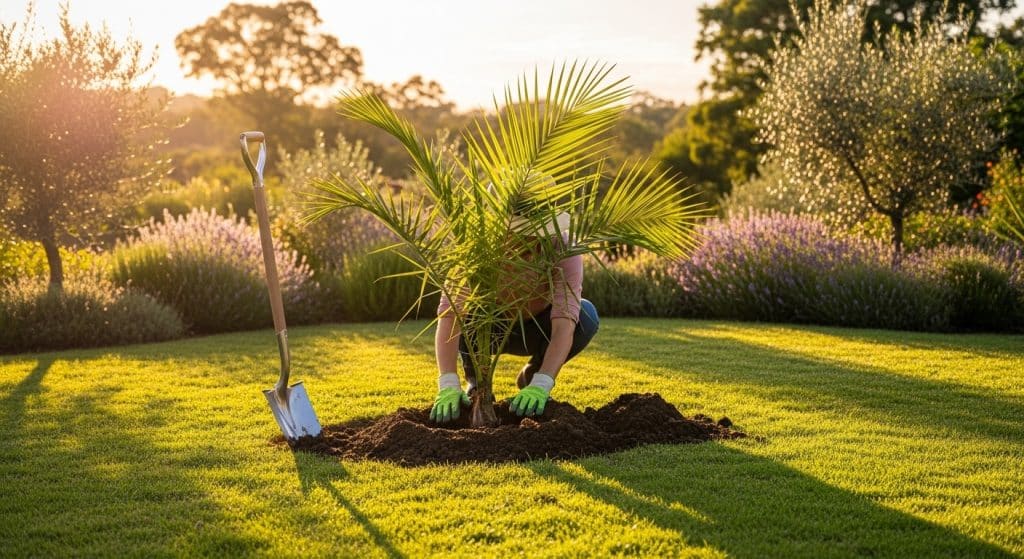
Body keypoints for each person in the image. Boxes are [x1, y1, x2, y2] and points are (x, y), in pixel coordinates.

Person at [430, 202, 600, 423]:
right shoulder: (475, 246)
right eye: (518, 234)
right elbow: (450, 316)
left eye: (533, 235)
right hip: (486, 331)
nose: (525, 243)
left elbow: (564, 324)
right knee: (469, 311)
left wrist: (543, 382)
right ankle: (477, 383)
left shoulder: (563, 249)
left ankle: (532, 377)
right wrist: (448, 383)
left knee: (586, 316)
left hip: (537, 329)